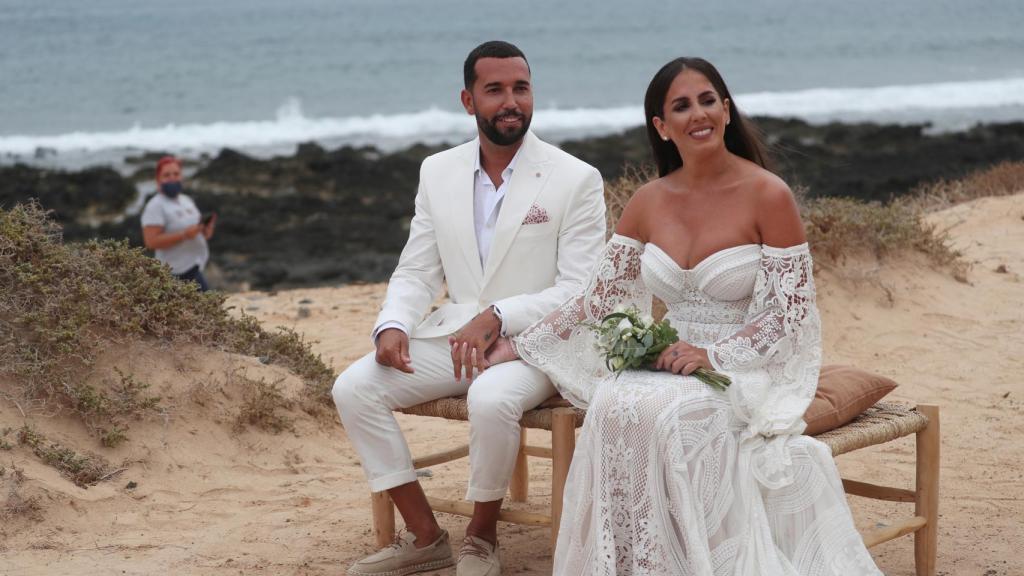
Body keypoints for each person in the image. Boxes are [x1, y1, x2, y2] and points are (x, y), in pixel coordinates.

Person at [485, 57, 883, 575]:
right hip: (666, 357)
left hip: (739, 363)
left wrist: (714, 355)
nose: (698, 114)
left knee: (673, 417)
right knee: (613, 403)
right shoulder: (649, 201)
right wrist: (519, 344)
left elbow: (791, 314)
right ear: (662, 126)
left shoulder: (768, 194)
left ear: (726, 108)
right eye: (681, 106)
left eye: (707, 100)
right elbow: (598, 300)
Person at [332, 41, 606, 576]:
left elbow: (580, 289)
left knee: (490, 399)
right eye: (496, 89)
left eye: (521, 88)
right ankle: (426, 535)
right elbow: (417, 268)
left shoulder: (575, 178)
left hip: (541, 344)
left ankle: (481, 538)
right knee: (353, 388)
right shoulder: (437, 171)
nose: (511, 101)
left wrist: (500, 315)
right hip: (458, 338)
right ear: (468, 99)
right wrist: (393, 324)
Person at [141, 156, 216, 291]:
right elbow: (151, 242)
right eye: (166, 175)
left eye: (176, 174)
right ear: (158, 180)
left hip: (194, 267)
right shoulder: (155, 206)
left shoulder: (186, 200)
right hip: (173, 274)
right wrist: (184, 235)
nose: (172, 178)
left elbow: (199, 233)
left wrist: (206, 230)